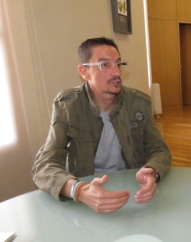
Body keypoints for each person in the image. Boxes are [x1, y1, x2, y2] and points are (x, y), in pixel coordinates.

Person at [32, 37, 171, 213]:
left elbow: (159, 149)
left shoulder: (138, 103)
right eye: (105, 65)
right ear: (84, 72)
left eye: (118, 64)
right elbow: (44, 164)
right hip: (86, 193)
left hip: (130, 191)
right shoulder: (68, 105)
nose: (117, 73)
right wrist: (79, 190)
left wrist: (152, 170)